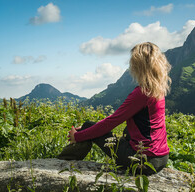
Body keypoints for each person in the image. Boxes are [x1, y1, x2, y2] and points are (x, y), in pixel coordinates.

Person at [57, 42, 171, 175]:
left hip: (143, 161)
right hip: (161, 158)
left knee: (88, 126)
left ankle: (63, 163)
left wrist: (78, 136)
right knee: (114, 130)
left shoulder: (141, 93)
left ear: (138, 66)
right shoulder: (158, 90)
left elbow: (111, 122)